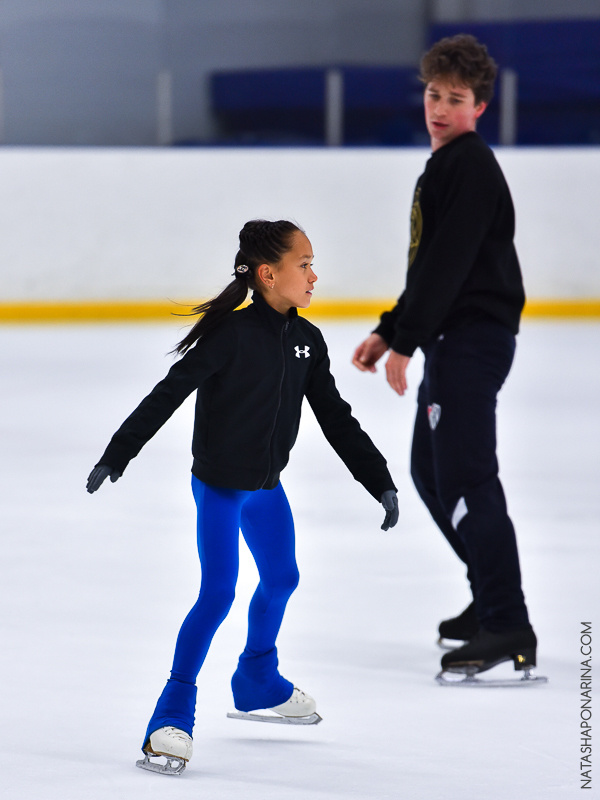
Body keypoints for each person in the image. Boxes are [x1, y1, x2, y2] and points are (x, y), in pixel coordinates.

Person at [87, 219, 399, 774]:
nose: (314, 275)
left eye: (312, 264)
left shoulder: (307, 341)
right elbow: (169, 392)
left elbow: (336, 418)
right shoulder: (229, 334)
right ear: (268, 274)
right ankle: (170, 716)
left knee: (282, 579)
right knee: (217, 594)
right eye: (304, 264)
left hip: (265, 488)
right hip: (220, 489)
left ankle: (256, 678)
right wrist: (119, 452)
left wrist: (379, 479)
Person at [352, 35, 538, 681]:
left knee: (466, 478)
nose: (439, 108)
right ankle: (489, 595)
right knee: (431, 472)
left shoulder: (470, 166)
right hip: (453, 339)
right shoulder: (446, 165)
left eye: (455, 99)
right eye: (434, 94)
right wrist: (391, 329)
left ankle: (507, 622)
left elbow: (450, 264)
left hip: (471, 341)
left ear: (479, 107)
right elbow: (430, 265)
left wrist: (406, 341)